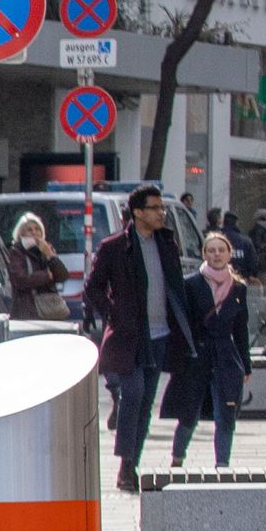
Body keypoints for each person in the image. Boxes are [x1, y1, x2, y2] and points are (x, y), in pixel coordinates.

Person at [82, 185, 210, 478]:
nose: (161, 213)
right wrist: (114, 313)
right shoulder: (115, 247)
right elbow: (93, 287)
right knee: (133, 395)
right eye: (155, 208)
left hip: (161, 334)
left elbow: (175, 287)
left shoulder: (166, 243)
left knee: (145, 404)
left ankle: (133, 463)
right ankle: (125, 465)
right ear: (138, 212)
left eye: (161, 208)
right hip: (131, 336)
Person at [168, 229, 253, 471]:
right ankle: (177, 457)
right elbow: (181, 323)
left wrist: (246, 365)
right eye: (212, 250)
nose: (217, 255)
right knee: (189, 414)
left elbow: (241, 329)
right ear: (204, 253)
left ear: (229, 254)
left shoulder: (238, 288)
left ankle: (222, 464)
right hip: (198, 356)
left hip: (226, 357)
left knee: (225, 415)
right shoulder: (191, 284)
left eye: (221, 250)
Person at [3, 212, 68, 322]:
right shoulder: (16, 252)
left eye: (37, 229)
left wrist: (50, 255)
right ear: (20, 233)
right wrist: (46, 276)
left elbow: (62, 276)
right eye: (29, 230)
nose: (34, 233)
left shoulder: (45, 250)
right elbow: (20, 280)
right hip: (27, 312)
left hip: (49, 310)